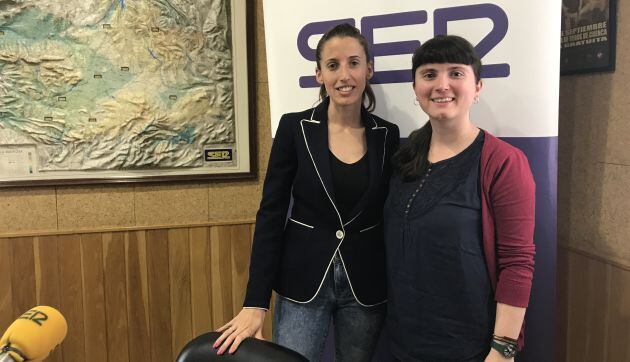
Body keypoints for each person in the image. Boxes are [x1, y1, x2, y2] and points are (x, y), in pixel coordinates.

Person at [214, 23, 400, 362]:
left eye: (354, 63)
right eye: (333, 65)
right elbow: (271, 214)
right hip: (302, 284)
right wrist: (255, 302)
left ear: (368, 69)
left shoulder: (387, 135)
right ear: (319, 74)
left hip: (365, 287)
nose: (345, 75)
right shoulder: (294, 129)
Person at [384, 35, 535, 361]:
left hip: (471, 348)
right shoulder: (403, 157)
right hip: (402, 341)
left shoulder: (503, 163)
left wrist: (502, 350)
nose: (441, 84)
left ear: (477, 86)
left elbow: (517, 264)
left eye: (455, 73)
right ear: (415, 88)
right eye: (429, 74)